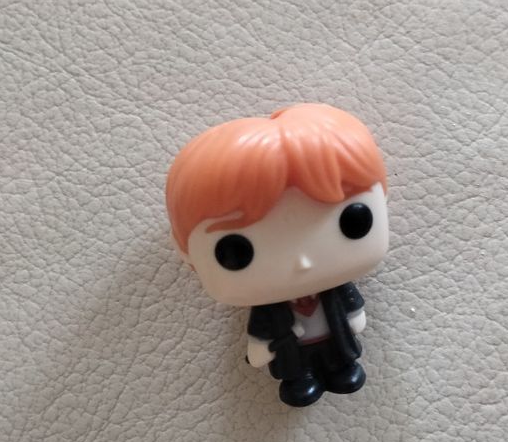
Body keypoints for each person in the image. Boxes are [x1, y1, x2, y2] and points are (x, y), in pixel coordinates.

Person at [166, 103, 388, 406]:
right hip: (292, 353)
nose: (303, 263)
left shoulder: (335, 292)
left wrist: (355, 317)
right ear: (184, 252)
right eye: (237, 252)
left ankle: (342, 368)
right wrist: (261, 349)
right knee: (297, 368)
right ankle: (301, 380)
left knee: (339, 359)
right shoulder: (269, 311)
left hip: (335, 340)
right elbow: (261, 334)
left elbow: (351, 307)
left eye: (353, 221)